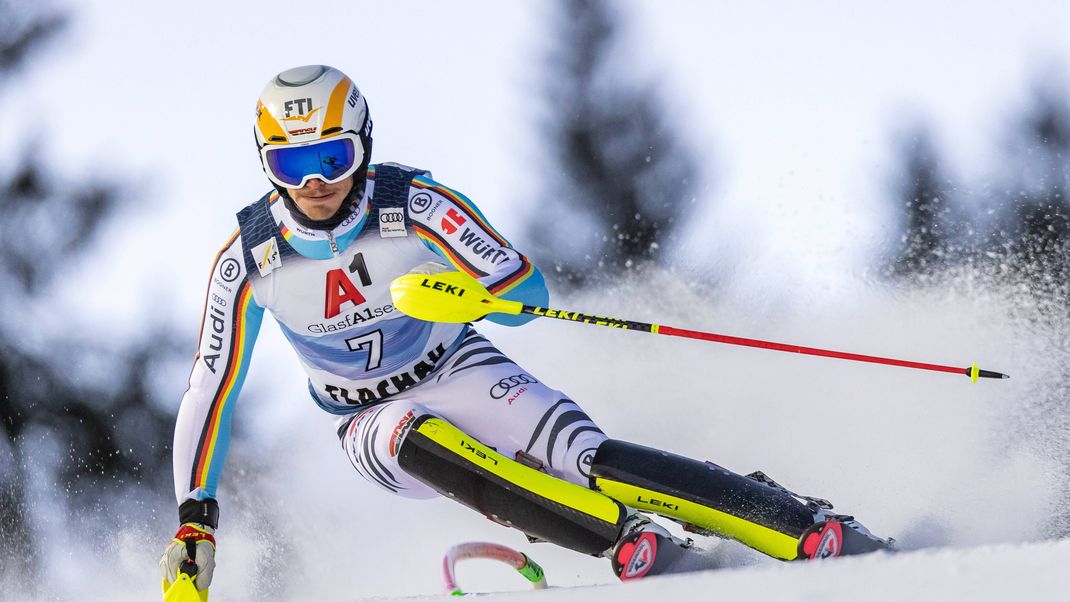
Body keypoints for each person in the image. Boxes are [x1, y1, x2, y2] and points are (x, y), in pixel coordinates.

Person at [160, 64, 891, 594]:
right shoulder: (248, 260)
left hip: (461, 365)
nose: (313, 183)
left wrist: (469, 300)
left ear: (362, 145)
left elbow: (526, 292)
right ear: (266, 163)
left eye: (331, 157)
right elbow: (210, 389)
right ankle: (625, 539)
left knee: (588, 457)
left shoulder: (415, 204)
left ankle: (793, 522)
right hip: (367, 418)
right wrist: (197, 519)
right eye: (290, 163)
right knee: (408, 434)